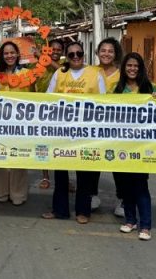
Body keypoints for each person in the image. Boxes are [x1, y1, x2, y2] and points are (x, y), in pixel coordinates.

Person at [42, 42, 105, 224]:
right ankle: (59, 209)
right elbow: (48, 98)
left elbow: (104, 101)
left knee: (84, 174)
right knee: (60, 173)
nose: (76, 57)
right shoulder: (59, 73)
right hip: (62, 131)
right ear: (66, 57)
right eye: (71, 54)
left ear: (83, 54)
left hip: (86, 131)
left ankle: (83, 211)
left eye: (79, 53)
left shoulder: (95, 74)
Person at [113, 53, 156, 241]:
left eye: (136, 66)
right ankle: (130, 220)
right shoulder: (117, 89)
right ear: (124, 68)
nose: (132, 69)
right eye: (129, 65)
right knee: (125, 187)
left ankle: (145, 226)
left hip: (141, 146)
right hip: (121, 145)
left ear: (140, 68)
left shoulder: (149, 88)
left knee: (140, 186)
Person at [0, 41, 31, 207]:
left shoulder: (27, 73)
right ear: (2, 56)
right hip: (0, 122)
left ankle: (18, 193)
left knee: (19, 158)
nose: (9, 56)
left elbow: (35, 95)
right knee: (0, 156)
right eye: (6, 53)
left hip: (21, 122)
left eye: (12, 53)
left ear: (17, 54)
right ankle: (2, 192)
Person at [92, 37, 123, 214]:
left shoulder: (123, 74)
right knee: (92, 159)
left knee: (118, 162)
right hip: (94, 126)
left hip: (117, 128)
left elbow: (141, 90)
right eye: (103, 50)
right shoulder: (90, 72)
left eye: (110, 51)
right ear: (97, 53)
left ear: (115, 54)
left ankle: (122, 199)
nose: (106, 54)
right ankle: (91, 195)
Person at [36, 39, 65, 191]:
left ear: (62, 52)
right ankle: (45, 176)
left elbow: (62, 71)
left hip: (61, 110)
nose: (55, 52)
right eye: (52, 49)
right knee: (43, 144)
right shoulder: (38, 64)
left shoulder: (66, 64)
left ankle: (64, 179)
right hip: (41, 109)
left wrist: (44, 58)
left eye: (59, 50)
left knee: (61, 145)